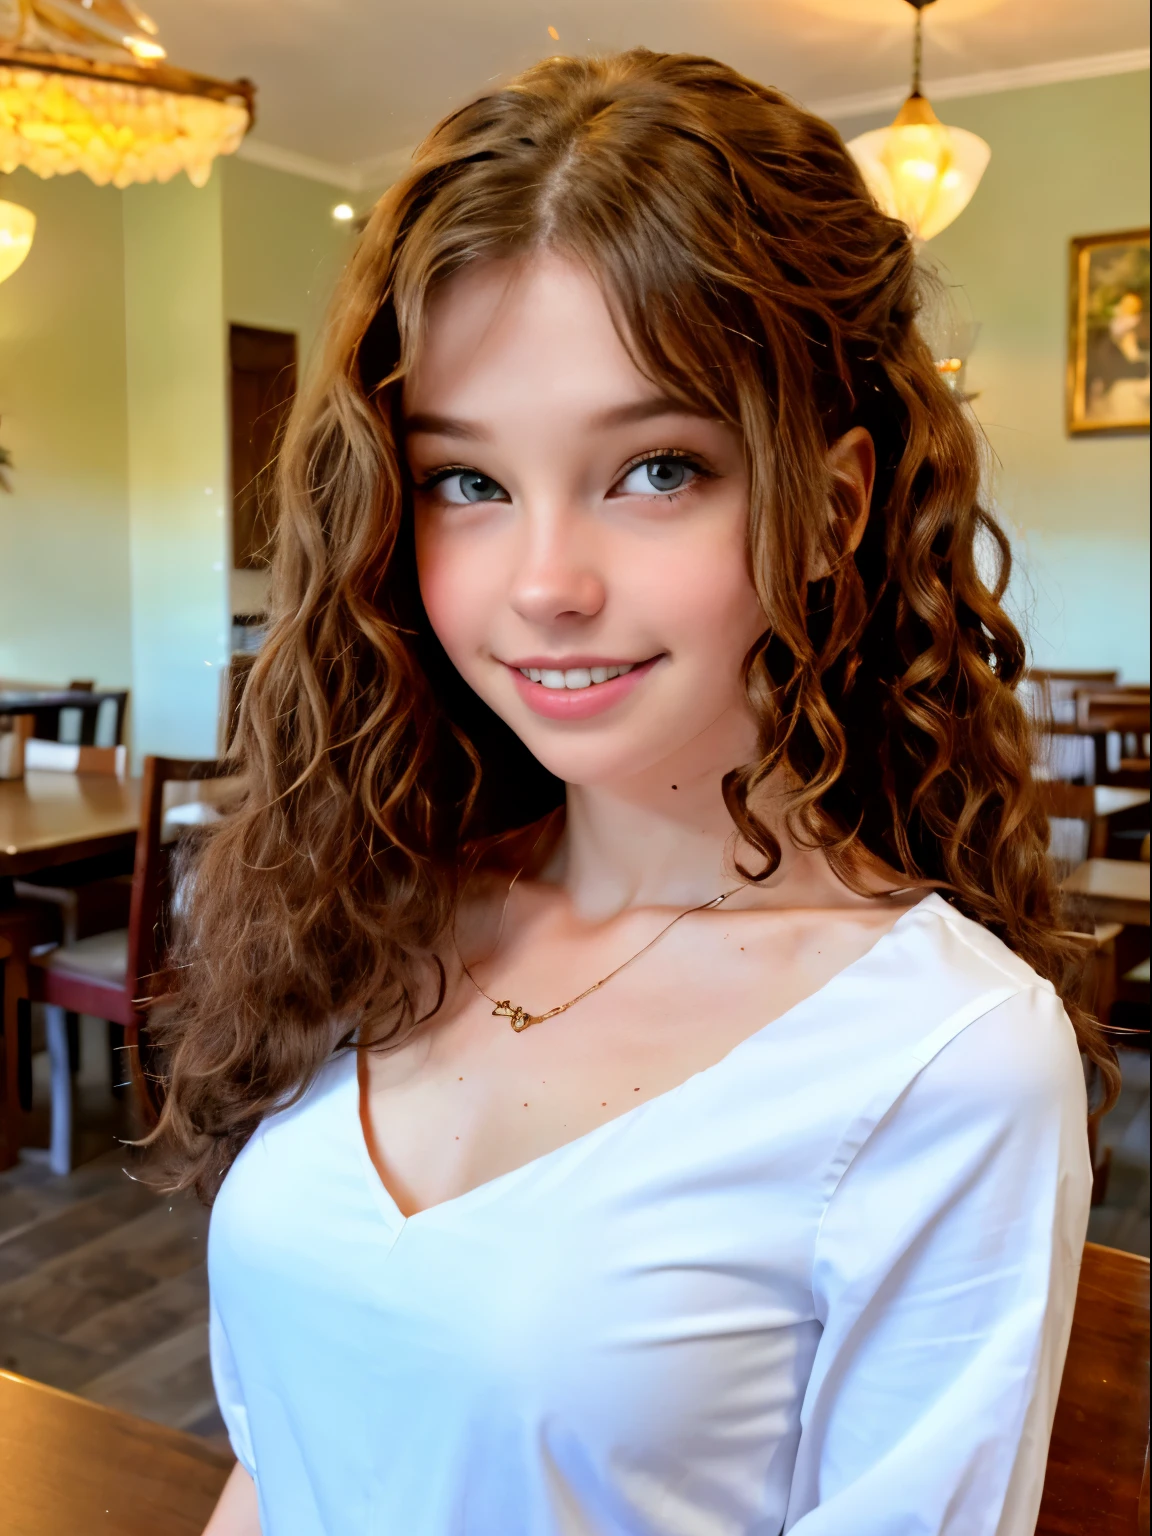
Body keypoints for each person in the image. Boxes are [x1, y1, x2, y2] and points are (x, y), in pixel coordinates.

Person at [154, 48, 1116, 1536]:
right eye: (466, 482)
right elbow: (285, 1457)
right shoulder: (374, 900)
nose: (544, 584)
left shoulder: (946, 1060)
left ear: (831, 508)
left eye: (656, 469)